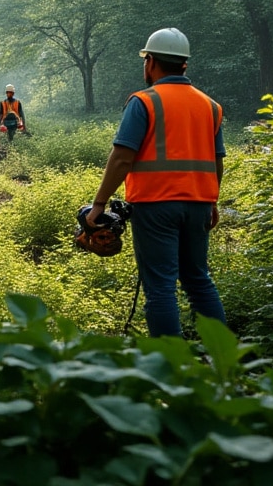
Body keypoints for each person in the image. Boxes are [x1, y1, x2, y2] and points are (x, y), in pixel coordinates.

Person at [86, 28, 227, 338]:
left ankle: (170, 362)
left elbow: (122, 158)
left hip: (155, 206)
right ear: (184, 64)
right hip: (199, 206)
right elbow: (217, 162)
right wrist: (212, 202)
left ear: (150, 61)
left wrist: (99, 204)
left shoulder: (143, 102)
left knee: (161, 286)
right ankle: (224, 358)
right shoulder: (210, 106)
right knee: (198, 280)